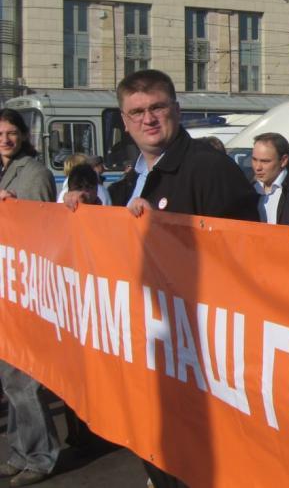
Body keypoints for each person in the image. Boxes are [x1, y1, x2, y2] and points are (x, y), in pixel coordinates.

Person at [64, 69, 258, 488]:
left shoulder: (210, 169)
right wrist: (87, 213)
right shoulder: (131, 182)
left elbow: (246, 262)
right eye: (137, 112)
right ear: (123, 119)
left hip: (201, 365)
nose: (148, 119)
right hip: (153, 355)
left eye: (157, 108)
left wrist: (168, 237)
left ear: (177, 110)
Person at [0, 108, 60, 487]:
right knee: (9, 377)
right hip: (4, 285)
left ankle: (40, 456)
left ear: (22, 136)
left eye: (10, 132)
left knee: (25, 380)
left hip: (24, 287)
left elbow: (41, 231)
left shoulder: (34, 173)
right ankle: (20, 449)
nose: (4, 139)